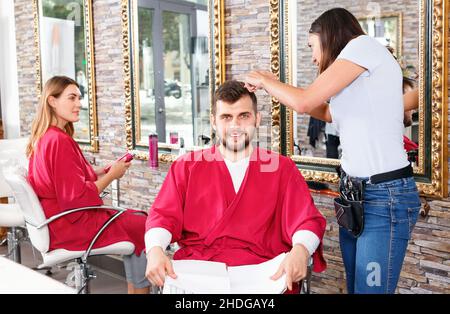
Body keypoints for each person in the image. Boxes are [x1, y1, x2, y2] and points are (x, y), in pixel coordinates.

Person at [244, 8, 421, 294]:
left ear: (329, 36)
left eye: (313, 46)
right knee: (355, 289)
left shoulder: (363, 46)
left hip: (384, 196)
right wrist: (273, 88)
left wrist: (268, 81)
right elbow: (325, 112)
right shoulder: (356, 79)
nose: (313, 56)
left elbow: (303, 103)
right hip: (354, 195)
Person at [145, 80, 326, 292]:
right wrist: (155, 249)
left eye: (244, 116)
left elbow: (306, 220)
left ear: (257, 119)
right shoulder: (186, 167)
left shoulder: (282, 169)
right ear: (213, 121)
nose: (235, 126)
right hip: (199, 270)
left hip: (262, 271)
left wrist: (301, 250)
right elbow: (163, 216)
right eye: (226, 117)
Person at [26, 76, 150, 294]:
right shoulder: (59, 141)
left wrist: (102, 171)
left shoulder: (46, 137)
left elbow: (64, 180)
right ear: (52, 101)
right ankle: (140, 292)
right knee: (143, 223)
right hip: (70, 224)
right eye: (72, 98)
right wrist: (112, 177)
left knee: (137, 220)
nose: (78, 104)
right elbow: (76, 198)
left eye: (79, 98)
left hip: (55, 222)